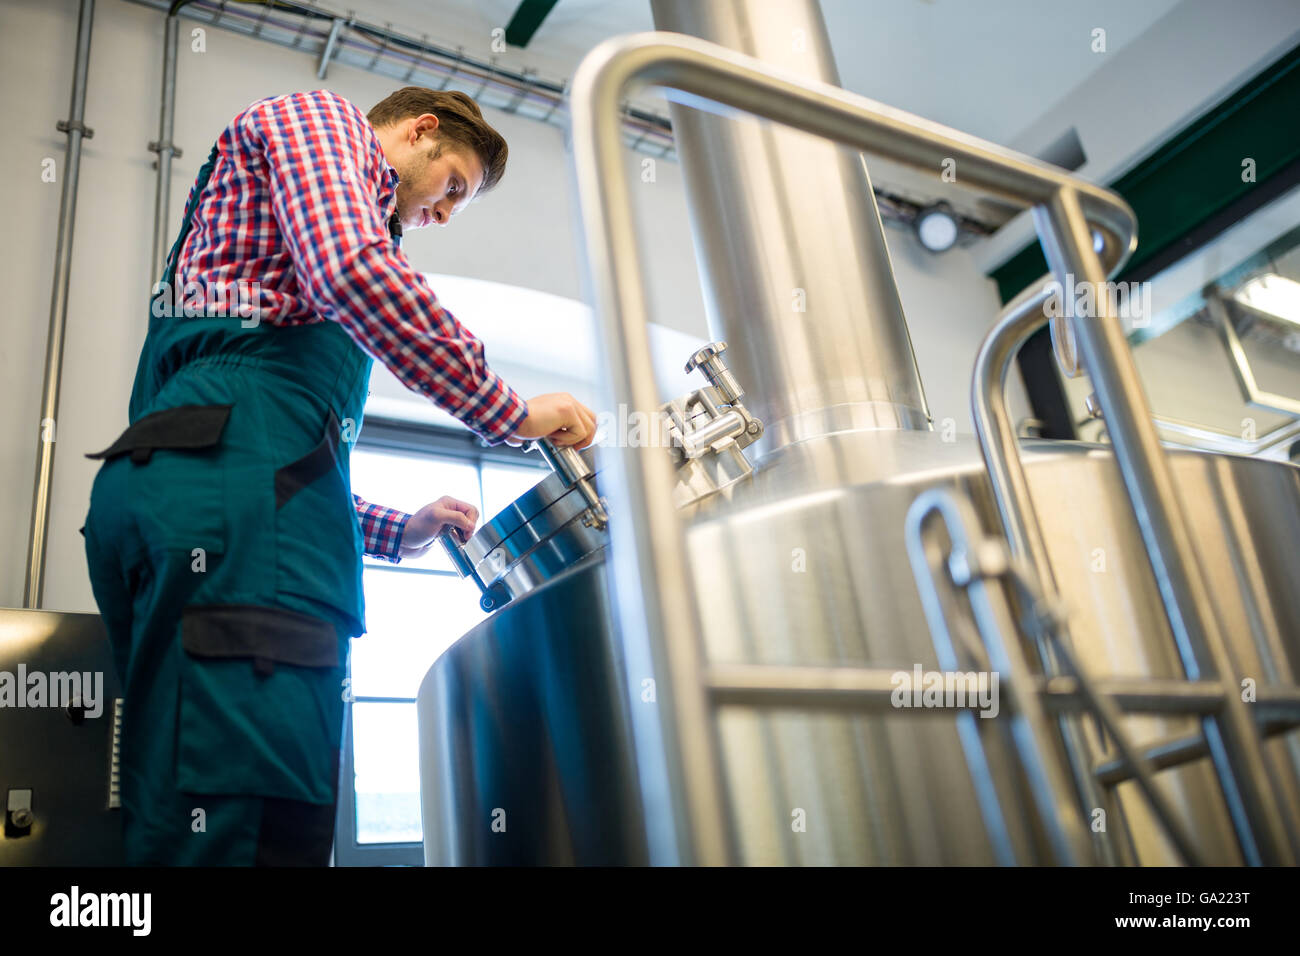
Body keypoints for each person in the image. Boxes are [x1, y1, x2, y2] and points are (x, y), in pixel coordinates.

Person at [82, 86, 596, 865]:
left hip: (199, 491)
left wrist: (402, 529)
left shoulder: (263, 290)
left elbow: (271, 464)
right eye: (453, 184)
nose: (445, 213)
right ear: (419, 131)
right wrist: (510, 411)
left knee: (185, 795)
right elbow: (352, 272)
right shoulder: (324, 121)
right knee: (254, 817)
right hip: (225, 501)